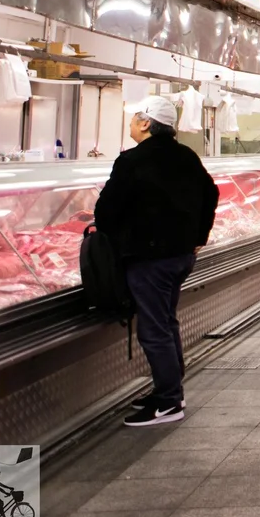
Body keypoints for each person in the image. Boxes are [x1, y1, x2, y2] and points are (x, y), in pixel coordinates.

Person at [94, 95, 218, 426]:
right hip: (180, 257)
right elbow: (212, 193)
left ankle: (168, 403)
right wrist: (198, 237)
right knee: (166, 323)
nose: (131, 124)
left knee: (154, 330)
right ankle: (169, 389)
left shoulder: (132, 161)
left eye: (134, 118)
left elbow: (105, 211)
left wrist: (113, 236)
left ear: (146, 123)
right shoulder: (187, 156)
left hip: (150, 259)